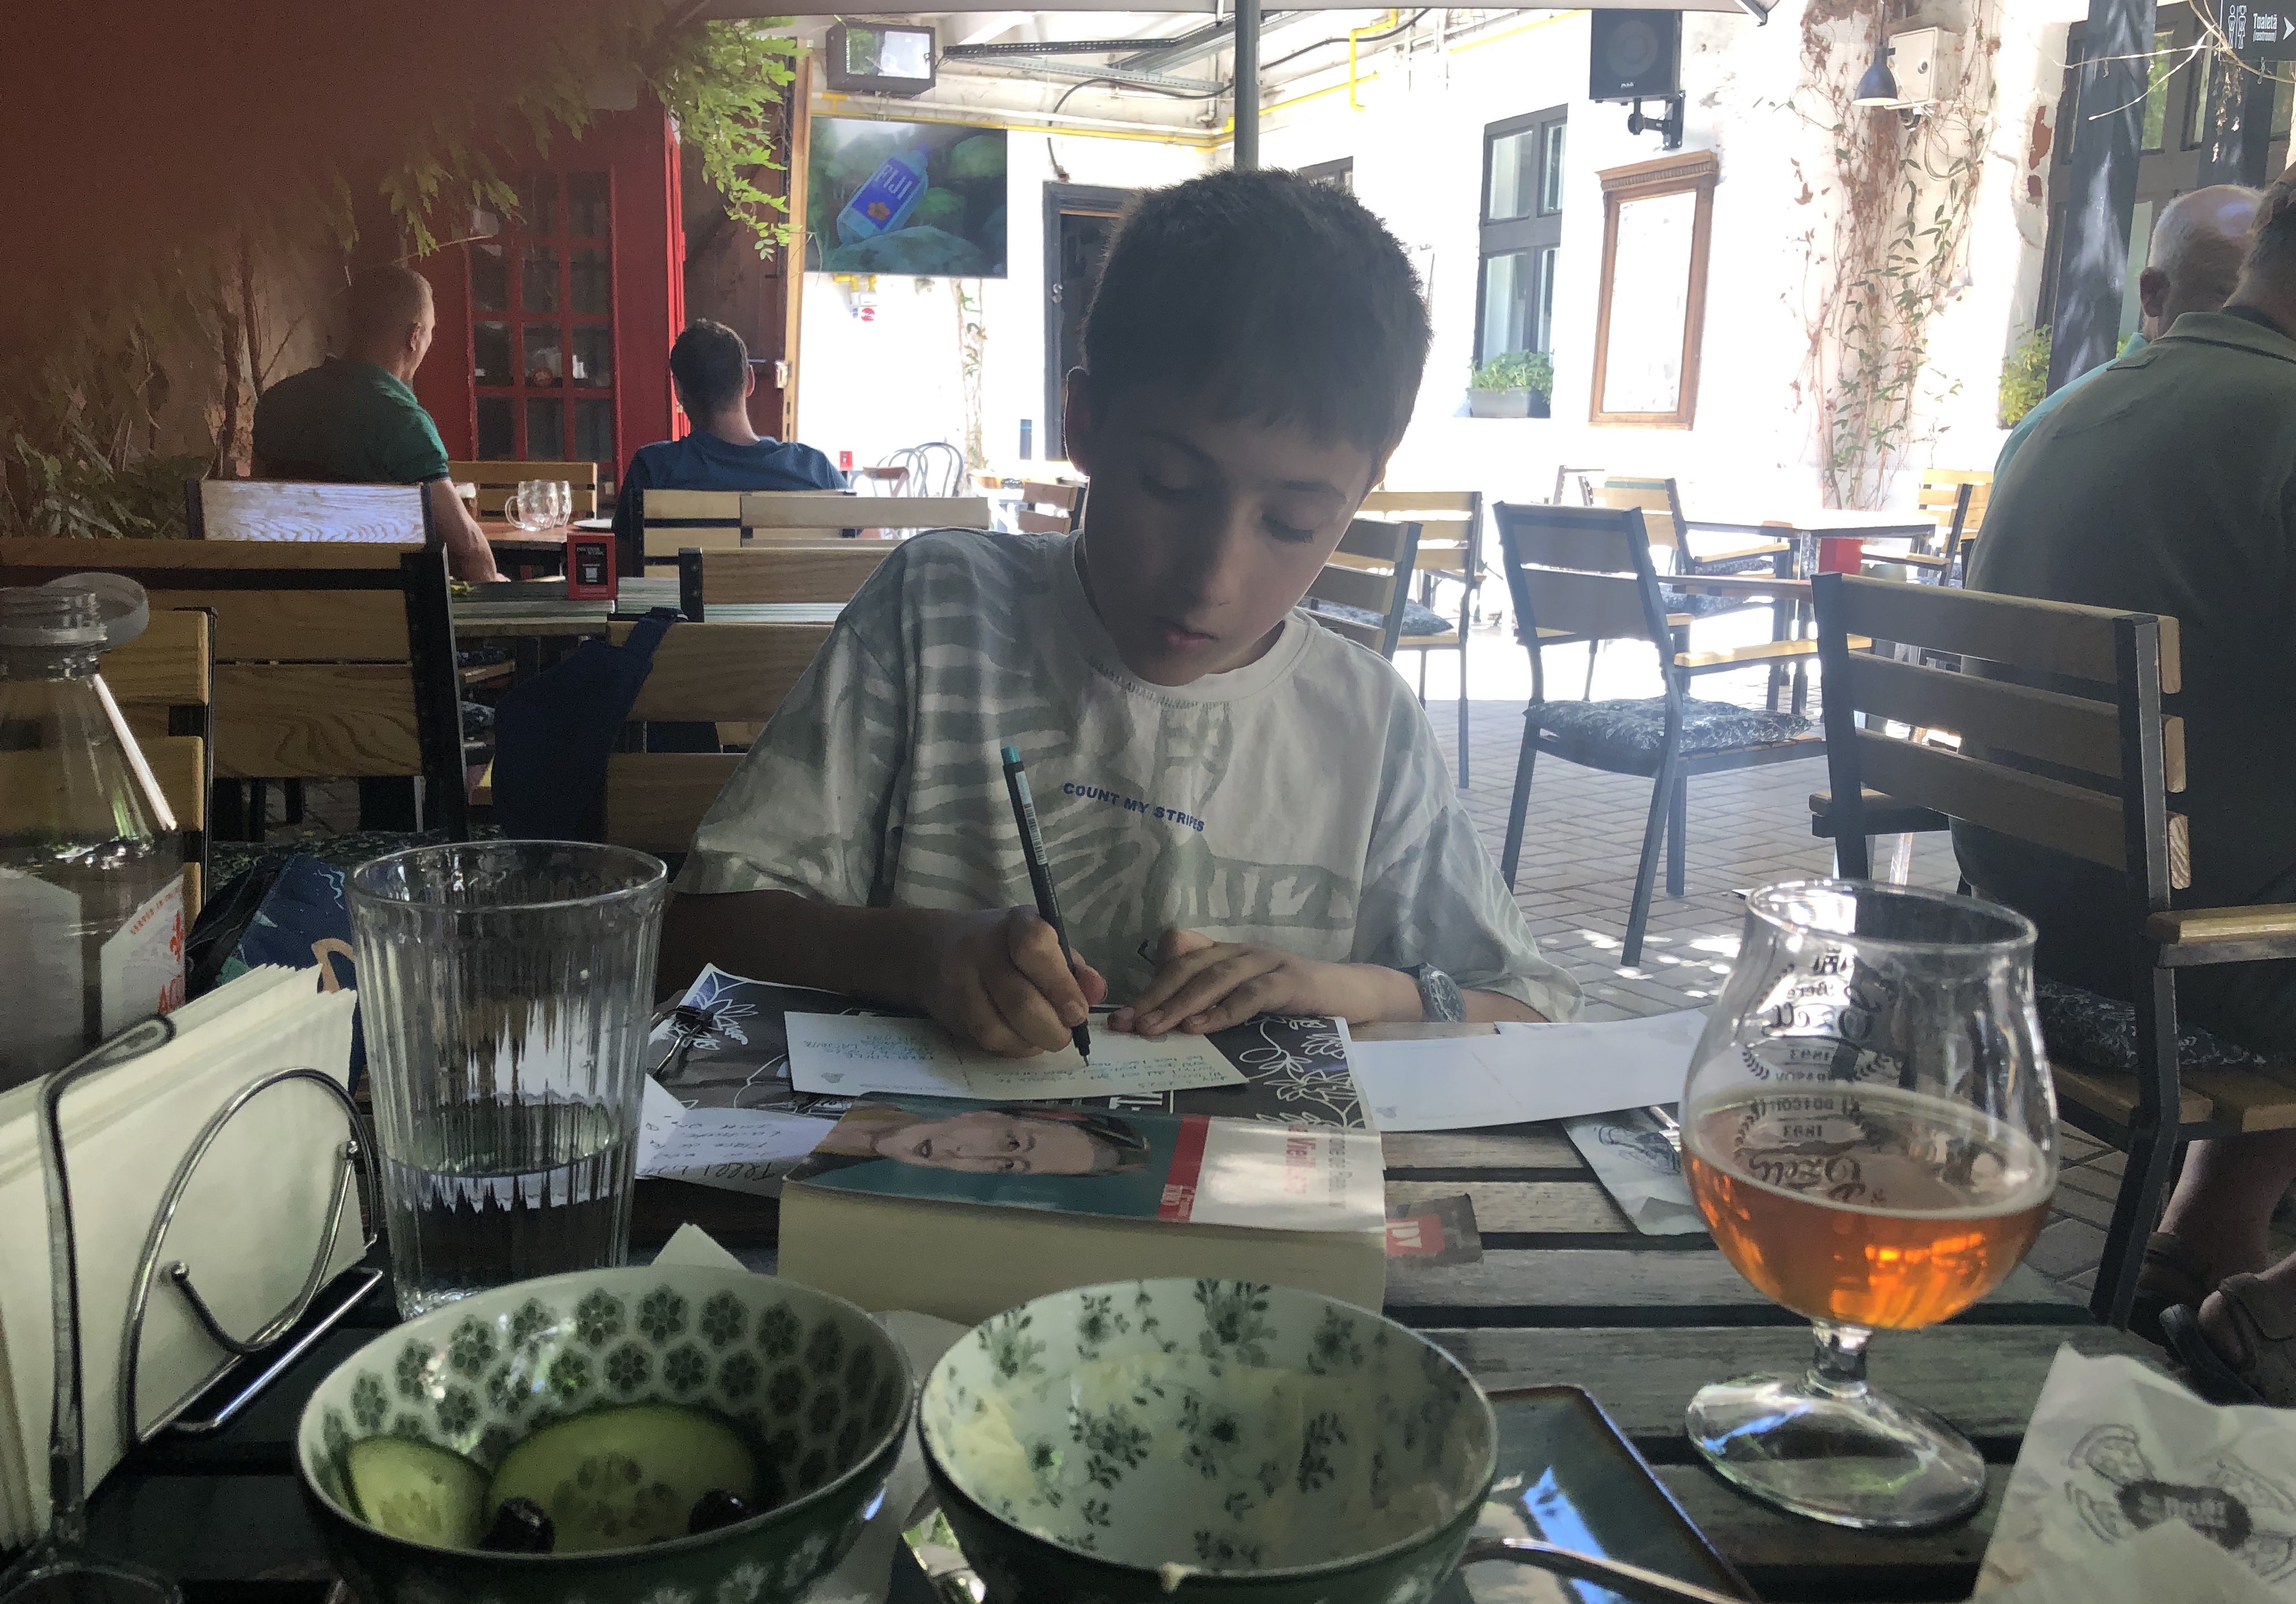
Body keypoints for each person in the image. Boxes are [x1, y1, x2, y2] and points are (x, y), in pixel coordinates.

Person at [659, 168, 1580, 1057]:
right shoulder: (939, 615)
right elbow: (693, 931)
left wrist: (1353, 989)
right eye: (1169, 484)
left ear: (1362, 491)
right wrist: (914, 956)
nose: (1211, 579)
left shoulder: (1367, 725)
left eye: (1293, 523)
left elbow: (1531, 1011)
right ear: (1085, 422)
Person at [1952, 191, 2296, 1397]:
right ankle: (2273, 1315)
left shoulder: (2061, 414)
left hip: (2019, 929)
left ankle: (2202, 1238)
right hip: (2176, 963)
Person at [252, 265, 501, 582]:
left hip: (283, 603)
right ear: (414, 337)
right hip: (385, 610)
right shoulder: (405, 423)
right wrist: (494, 585)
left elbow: (255, 513)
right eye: (430, 332)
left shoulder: (276, 402)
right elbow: (467, 551)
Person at [1994, 185, 2260, 481]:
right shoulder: (2057, 431)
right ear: (2153, 294)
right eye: (2228, 297)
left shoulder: (2261, 422)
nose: (2258, 324)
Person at [609, 319, 844, 557]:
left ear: (678, 391)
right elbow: (861, 553)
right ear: (750, 381)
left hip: (692, 584)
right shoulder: (815, 468)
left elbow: (625, 566)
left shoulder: (653, 470)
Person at [805, 1105, 1150, 1176]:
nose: (963, 1155)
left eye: (1008, 1166)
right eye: (1011, 1144)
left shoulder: (815, 1179)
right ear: (989, 1116)